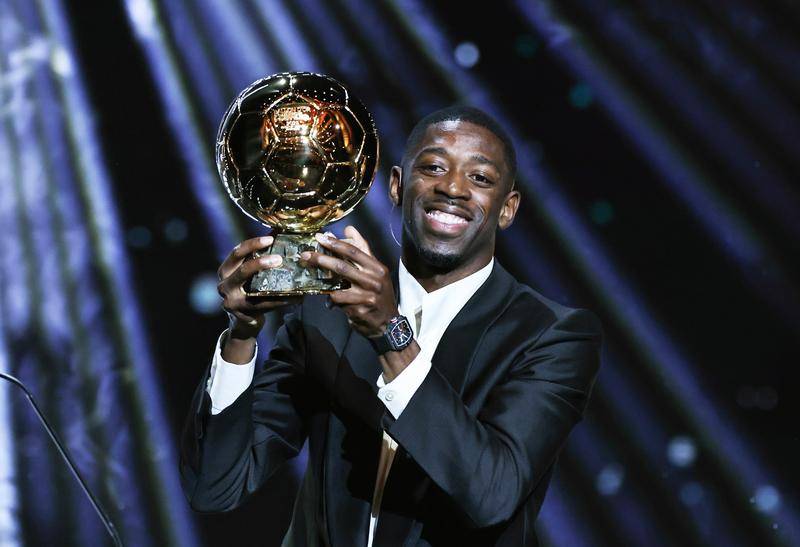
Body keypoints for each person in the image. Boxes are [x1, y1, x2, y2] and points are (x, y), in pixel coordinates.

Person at [179, 106, 603, 546]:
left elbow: (492, 493)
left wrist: (390, 334)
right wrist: (242, 334)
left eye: (480, 178)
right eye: (433, 167)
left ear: (507, 209)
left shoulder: (551, 335)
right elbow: (215, 486)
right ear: (398, 186)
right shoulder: (325, 315)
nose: (453, 187)